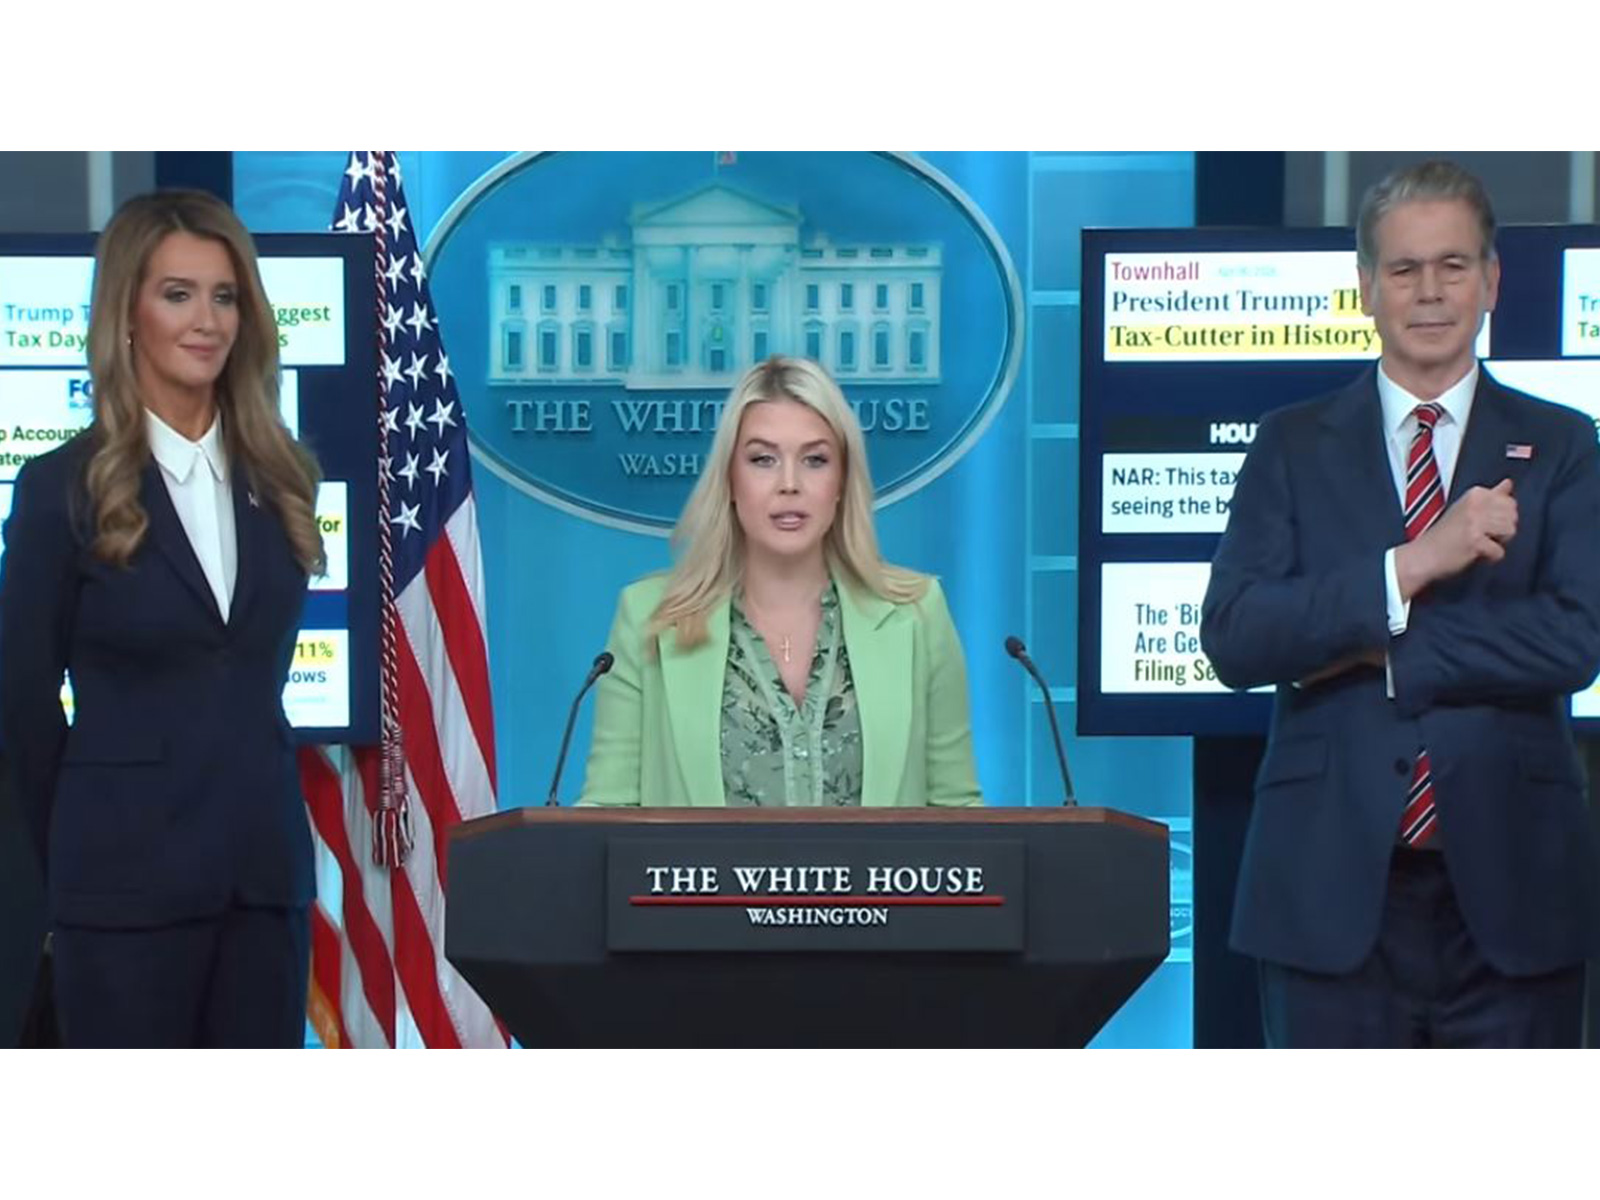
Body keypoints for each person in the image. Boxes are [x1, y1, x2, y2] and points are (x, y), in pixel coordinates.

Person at [1201, 160, 1600, 1047]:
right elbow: (1237, 635)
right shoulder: (1291, 444)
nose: (1430, 292)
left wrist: (1387, 653)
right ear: (1365, 288)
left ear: (1491, 282)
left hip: (1516, 892)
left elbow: (1574, 640)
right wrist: (1410, 568)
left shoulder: (1567, 443)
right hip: (1327, 892)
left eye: (1453, 266)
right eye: (1404, 269)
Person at [0, 190, 325, 1047]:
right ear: (127, 315)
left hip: (263, 885)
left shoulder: (284, 480)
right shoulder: (60, 489)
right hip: (121, 889)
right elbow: (22, 707)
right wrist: (79, 844)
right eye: (178, 294)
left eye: (225, 296)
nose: (206, 320)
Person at [579, 356, 982, 808]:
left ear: (841, 482)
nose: (789, 484)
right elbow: (605, 821)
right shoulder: (649, 618)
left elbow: (958, 818)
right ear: (730, 480)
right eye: (763, 459)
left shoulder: (917, 614)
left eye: (814, 460)